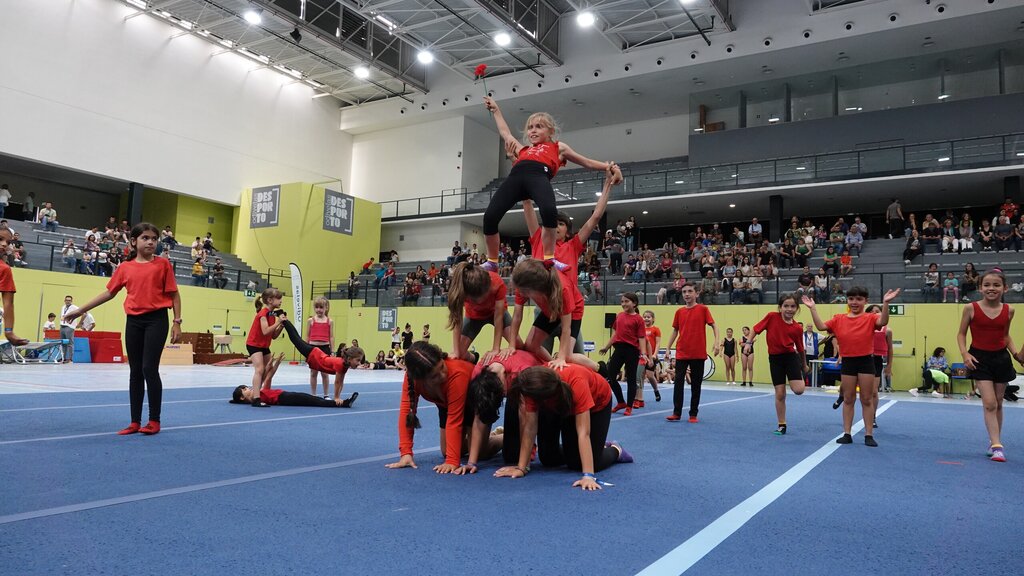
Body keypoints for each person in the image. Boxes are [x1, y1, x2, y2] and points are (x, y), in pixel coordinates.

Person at [479, 96, 622, 274]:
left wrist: (610, 167)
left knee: (548, 212)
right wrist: (496, 110)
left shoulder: (558, 148)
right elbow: (505, 133)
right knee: (489, 217)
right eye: (530, 127)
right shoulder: (523, 150)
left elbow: (586, 162)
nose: (533, 130)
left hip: (538, 176)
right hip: (515, 178)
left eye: (539, 126)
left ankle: (549, 257)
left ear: (551, 131)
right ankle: (492, 261)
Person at [63, 223, 182, 435]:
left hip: (156, 320)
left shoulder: (162, 264)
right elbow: (109, 293)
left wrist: (177, 322)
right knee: (135, 370)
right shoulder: (125, 268)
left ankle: (154, 420)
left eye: (154, 238)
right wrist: (80, 310)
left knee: (149, 368)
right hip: (134, 321)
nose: (151, 242)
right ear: (133, 241)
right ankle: (135, 422)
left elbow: (174, 294)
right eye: (145, 238)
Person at [494, 365, 631, 490]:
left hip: (597, 404)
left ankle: (616, 449)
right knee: (548, 458)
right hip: (561, 404)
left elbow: (583, 432)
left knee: (585, 463)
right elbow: (530, 429)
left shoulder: (577, 383)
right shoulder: (532, 384)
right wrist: (521, 468)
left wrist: (588, 475)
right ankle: (592, 447)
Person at [802, 286, 901, 447]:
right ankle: (847, 433)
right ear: (847, 301)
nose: (855, 302)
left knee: (866, 399)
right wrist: (813, 308)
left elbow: (883, 322)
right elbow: (821, 327)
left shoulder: (870, 318)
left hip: (866, 361)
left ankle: (868, 434)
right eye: (851, 299)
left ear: (865, 301)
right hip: (848, 362)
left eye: (859, 299)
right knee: (848, 398)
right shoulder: (839, 319)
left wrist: (886, 303)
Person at [385, 341, 475, 473]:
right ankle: (482, 437)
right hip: (445, 404)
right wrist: (406, 453)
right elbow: (406, 411)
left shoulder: (456, 373)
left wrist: (452, 461)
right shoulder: (412, 379)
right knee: (447, 451)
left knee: (480, 452)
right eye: (435, 376)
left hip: (475, 401)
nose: (443, 375)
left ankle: (500, 439)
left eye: (442, 366)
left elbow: (454, 419)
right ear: (421, 379)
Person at [957, 269, 1018, 463]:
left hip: (1001, 358)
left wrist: (1016, 354)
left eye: (996, 285)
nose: (991, 288)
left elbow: (1005, 336)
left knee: (998, 402)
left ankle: (994, 441)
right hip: (979, 359)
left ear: (1005, 288)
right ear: (980, 288)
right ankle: (998, 447)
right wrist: (965, 354)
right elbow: (961, 334)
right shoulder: (971, 308)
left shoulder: (1009, 310)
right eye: (987, 285)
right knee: (990, 403)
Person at [459, 350, 543, 474]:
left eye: (502, 393)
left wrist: (523, 467)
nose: (504, 394)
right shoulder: (479, 372)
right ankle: (504, 435)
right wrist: (471, 463)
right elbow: (479, 416)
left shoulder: (522, 373)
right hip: (514, 388)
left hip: (540, 391)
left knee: (546, 456)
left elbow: (529, 422)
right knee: (502, 455)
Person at [509, 258, 596, 371]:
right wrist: (511, 345)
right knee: (530, 346)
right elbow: (517, 316)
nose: (521, 294)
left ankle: (600, 368)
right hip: (550, 309)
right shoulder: (522, 285)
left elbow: (566, 328)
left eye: (525, 292)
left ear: (538, 288)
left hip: (573, 310)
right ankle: (552, 366)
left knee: (567, 356)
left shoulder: (563, 289)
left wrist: (561, 358)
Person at [752, 294, 808, 435]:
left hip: (791, 358)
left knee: (799, 390)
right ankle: (782, 425)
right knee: (780, 393)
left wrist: (804, 365)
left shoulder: (797, 328)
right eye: (786, 306)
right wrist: (748, 343)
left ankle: (797, 376)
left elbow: (800, 348)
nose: (789, 309)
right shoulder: (772, 317)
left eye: (793, 306)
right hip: (775, 359)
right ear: (780, 307)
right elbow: (755, 329)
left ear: (797, 308)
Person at [665, 283, 720, 422]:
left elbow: (714, 326)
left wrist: (717, 342)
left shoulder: (703, 309)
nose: (687, 294)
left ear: (697, 293)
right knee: (678, 382)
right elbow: (675, 330)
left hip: (698, 352)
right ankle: (676, 412)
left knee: (696, 384)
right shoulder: (679, 312)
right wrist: (668, 348)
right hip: (682, 351)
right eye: (684, 292)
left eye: (690, 291)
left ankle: (693, 414)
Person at [278, 319, 361, 405]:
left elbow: (341, 382)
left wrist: (338, 397)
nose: (359, 363)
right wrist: (336, 397)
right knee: (295, 339)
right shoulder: (340, 364)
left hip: (316, 354)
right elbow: (337, 382)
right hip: (314, 355)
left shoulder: (345, 365)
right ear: (349, 358)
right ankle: (285, 320)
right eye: (358, 360)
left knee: (296, 339)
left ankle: (285, 321)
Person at [446, 260, 514, 363]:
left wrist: (496, 348)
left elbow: (498, 318)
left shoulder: (497, 283)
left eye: (487, 296)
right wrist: (456, 351)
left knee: (517, 344)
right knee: (460, 354)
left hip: (495, 313)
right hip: (474, 316)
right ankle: (474, 357)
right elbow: (457, 321)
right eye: (476, 301)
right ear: (468, 296)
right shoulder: (460, 292)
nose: (483, 302)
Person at [599, 293, 649, 416]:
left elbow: (641, 337)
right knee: (610, 375)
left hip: (632, 351)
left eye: (626, 301)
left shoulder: (638, 319)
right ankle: (621, 402)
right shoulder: (620, 316)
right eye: (622, 301)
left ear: (634, 303)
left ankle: (629, 406)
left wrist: (643, 353)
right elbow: (615, 334)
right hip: (619, 349)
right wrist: (606, 347)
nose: (623, 304)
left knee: (631, 378)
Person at [244, 288, 286, 408]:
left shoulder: (272, 315)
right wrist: (278, 322)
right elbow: (265, 331)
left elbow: (273, 336)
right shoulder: (263, 314)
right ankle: (256, 399)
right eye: (279, 299)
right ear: (270, 300)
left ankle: (265, 392)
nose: (281, 301)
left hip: (264, 345)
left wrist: (281, 326)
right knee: (260, 369)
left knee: (269, 368)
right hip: (254, 344)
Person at [0, 230, 29, 347]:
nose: (4, 244)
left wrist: (9, 331)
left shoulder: (4, 269)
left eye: (8, 242)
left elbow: (8, 303)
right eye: (0, 239)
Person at [306, 297, 335, 398]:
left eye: (321, 307)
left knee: (325, 373)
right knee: (313, 373)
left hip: (325, 348)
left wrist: (332, 351)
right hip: (313, 348)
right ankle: (313, 395)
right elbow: (307, 336)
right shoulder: (311, 320)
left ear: (326, 308)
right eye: (317, 307)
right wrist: (305, 350)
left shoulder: (329, 321)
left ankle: (326, 394)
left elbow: (331, 337)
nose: (319, 310)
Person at [636, 310, 663, 406]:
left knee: (650, 375)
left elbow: (658, 343)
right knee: (641, 376)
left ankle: (656, 390)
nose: (646, 319)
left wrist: (655, 354)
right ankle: (640, 397)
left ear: (653, 319)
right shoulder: (641, 329)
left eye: (648, 317)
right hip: (643, 355)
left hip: (651, 355)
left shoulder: (655, 329)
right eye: (645, 317)